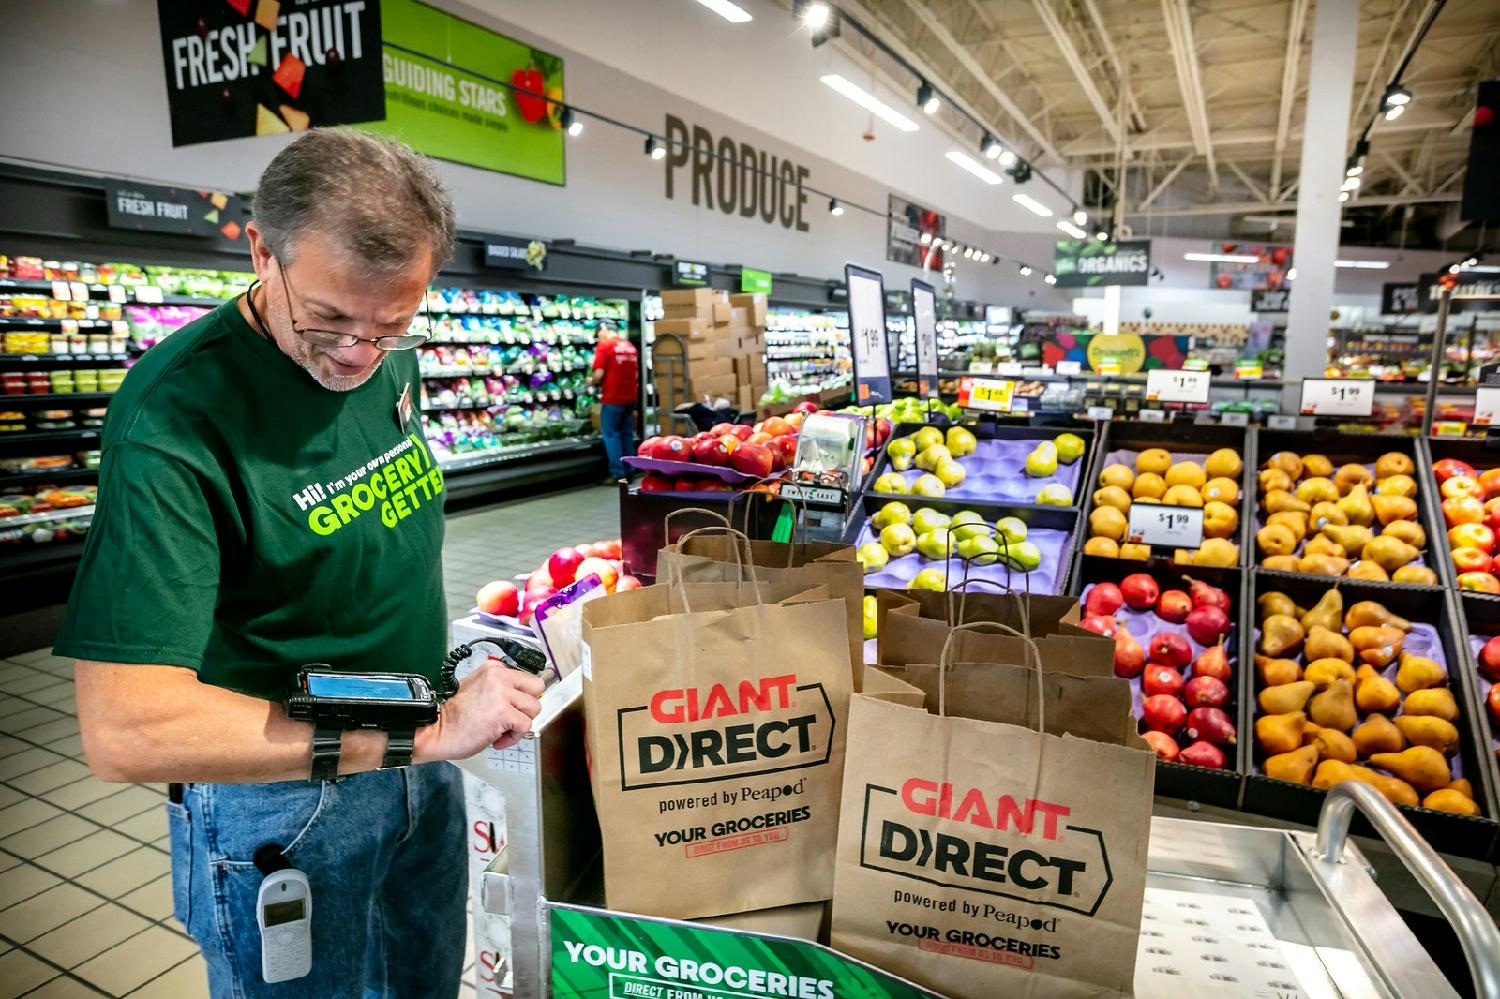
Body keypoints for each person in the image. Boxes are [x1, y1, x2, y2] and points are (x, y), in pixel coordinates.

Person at [53, 129, 545, 998]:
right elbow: (125, 728)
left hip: (422, 774)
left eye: (391, 322)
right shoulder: (174, 419)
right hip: (284, 803)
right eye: (327, 319)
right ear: (259, 250)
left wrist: (455, 680)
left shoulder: (393, 361)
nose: (357, 352)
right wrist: (427, 732)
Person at [590, 320, 639, 483]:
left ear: (603, 329)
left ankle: (618, 474)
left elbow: (598, 374)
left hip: (613, 397)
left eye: (598, 333)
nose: (598, 337)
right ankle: (630, 469)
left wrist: (590, 381)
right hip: (630, 396)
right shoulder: (629, 346)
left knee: (611, 435)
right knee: (626, 433)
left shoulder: (604, 347)